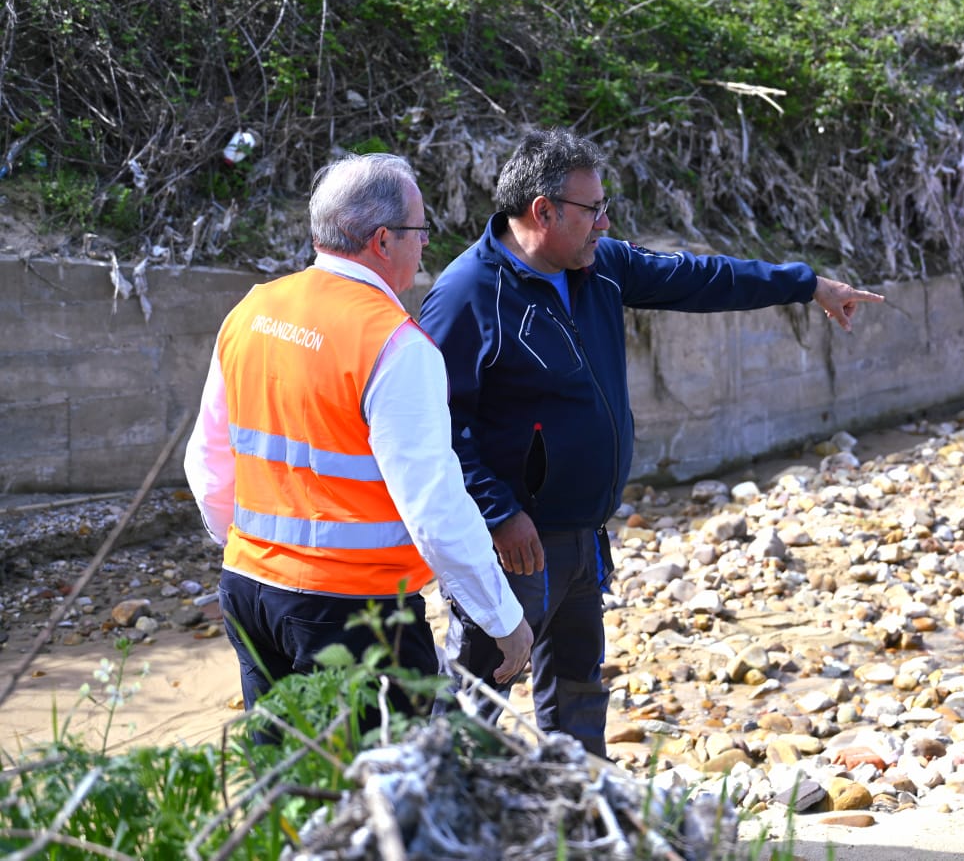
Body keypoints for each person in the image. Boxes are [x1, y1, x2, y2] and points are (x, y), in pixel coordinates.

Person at [417, 128, 884, 758]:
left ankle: (585, 827)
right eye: (593, 210)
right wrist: (498, 513)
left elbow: (703, 278)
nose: (606, 222)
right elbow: (434, 426)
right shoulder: (468, 295)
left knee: (578, 693)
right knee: (477, 699)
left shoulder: (599, 265)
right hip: (514, 548)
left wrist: (805, 285)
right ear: (543, 211)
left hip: (584, 535)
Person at [183, 153, 533, 727]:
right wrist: (501, 618)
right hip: (353, 615)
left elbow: (208, 462)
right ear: (382, 241)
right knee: (389, 795)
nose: (425, 246)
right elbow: (435, 507)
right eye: (420, 231)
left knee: (287, 790)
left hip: (248, 591)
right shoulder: (395, 346)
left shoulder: (253, 311)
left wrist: (250, 552)